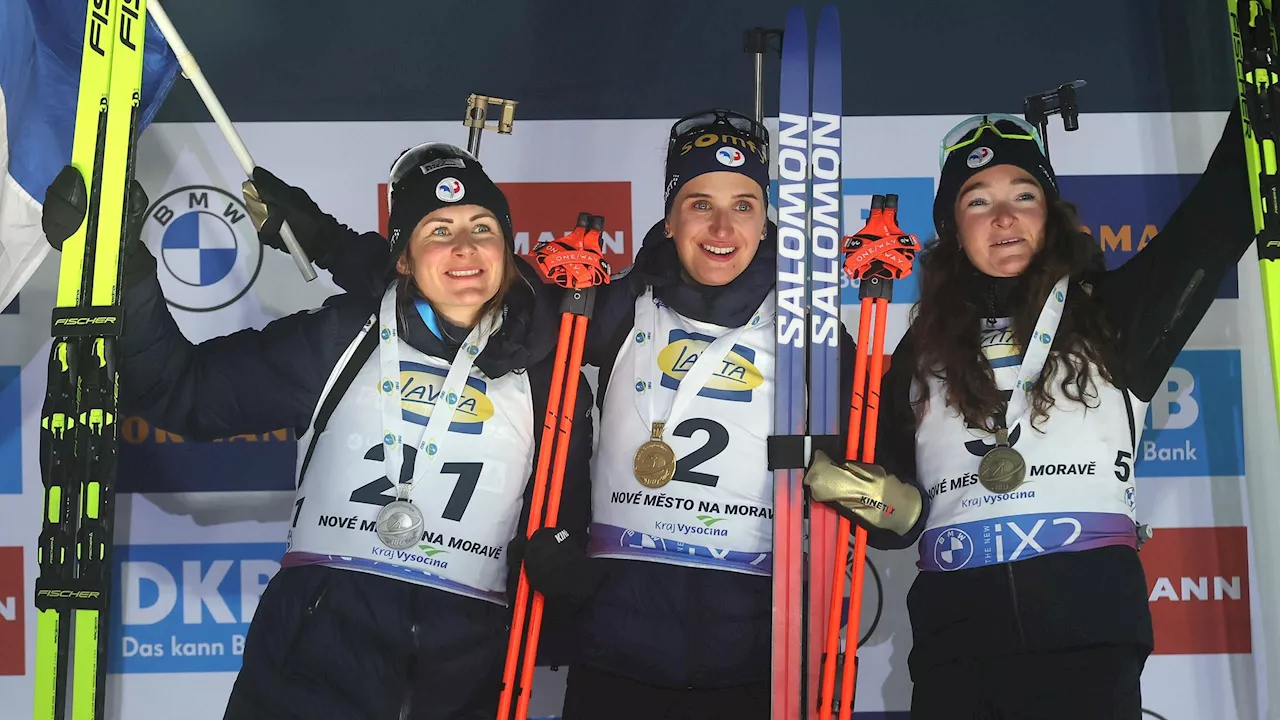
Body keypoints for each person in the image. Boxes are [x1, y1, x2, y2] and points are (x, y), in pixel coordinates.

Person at [245, 109, 868, 719]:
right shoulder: (618, 306)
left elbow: (875, 484)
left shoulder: (811, 337)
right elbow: (464, 283)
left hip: (757, 655)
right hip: (620, 654)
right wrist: (323, 240)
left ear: (767, 222)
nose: (722, 227)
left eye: (744, 205)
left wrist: (876, 500)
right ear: (671, 217)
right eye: (700, 202)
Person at [43, 143, 597, 720]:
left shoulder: (552, 381)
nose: (465, 247)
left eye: (483, 227)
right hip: (313, 664)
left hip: (463, 677)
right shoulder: (346, 337)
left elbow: (563, 547)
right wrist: (121, 267)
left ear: (508, 251)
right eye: (438, 230)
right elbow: (181, 393)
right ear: (403, 258)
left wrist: (565, 575)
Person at [805, 107, 1254, 718]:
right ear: (951, 227)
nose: (1005, 217)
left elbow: (1221, 215)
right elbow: (900, 518)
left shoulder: (1113, 315)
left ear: (1051, 213)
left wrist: (1259, 101)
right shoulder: (922, 346)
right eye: (978, 201)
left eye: (1023, 194)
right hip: (956, 648)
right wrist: (874, 497)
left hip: (1088, 642)